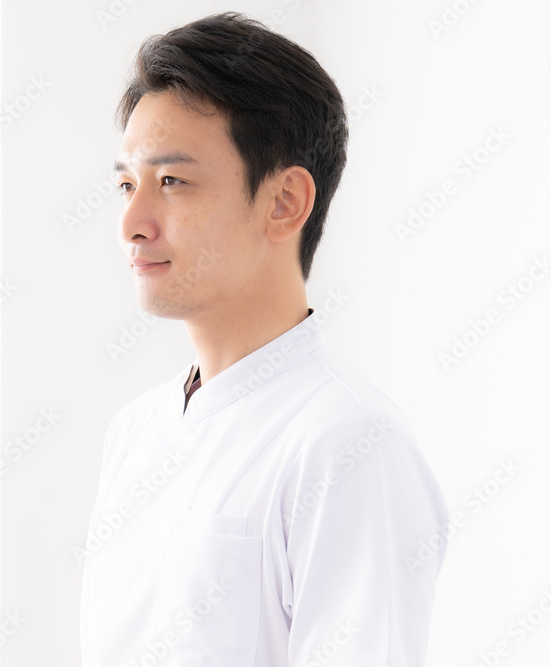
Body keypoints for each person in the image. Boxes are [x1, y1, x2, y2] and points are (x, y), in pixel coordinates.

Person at [79, 12, 449, 667]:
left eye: (171, 181)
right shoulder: (134, 433)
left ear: (284, 203)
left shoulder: (348, 445)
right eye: (126, 185)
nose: (132, 222)